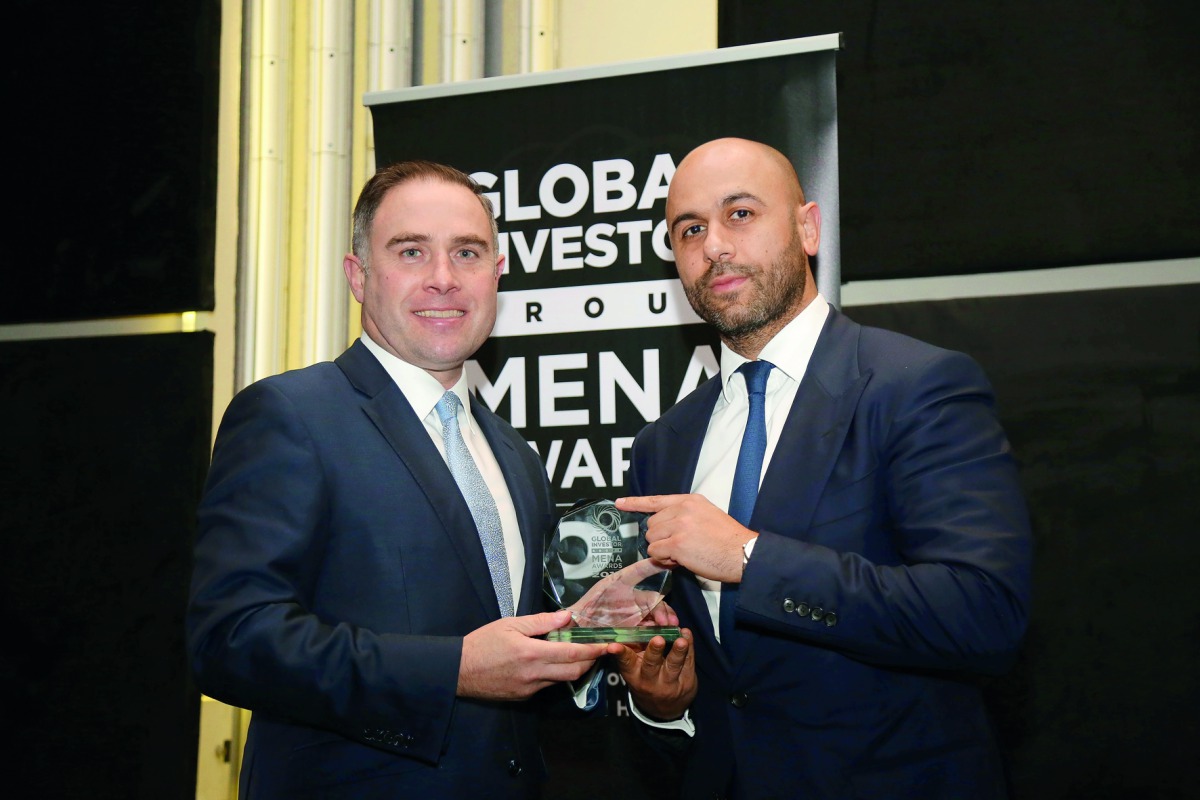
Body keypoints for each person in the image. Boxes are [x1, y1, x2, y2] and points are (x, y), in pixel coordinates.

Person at [607, 137, 1033, 799]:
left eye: (740, 214)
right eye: (689, 229)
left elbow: (982, 614)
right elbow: (713, 677)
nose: (714, 245)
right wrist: (665, 703)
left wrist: (748, 557)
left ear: (807, 227)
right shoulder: (663, 444)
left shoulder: (915, 387)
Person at [186, 160, 613, 799]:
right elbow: (232, 639)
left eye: (466, 253)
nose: (443, 279)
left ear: (497, 274)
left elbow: (520, 658)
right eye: (411, 252)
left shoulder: (516, 457)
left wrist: (604, 635)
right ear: (358, 276)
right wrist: (454, 670)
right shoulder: (290, 415)